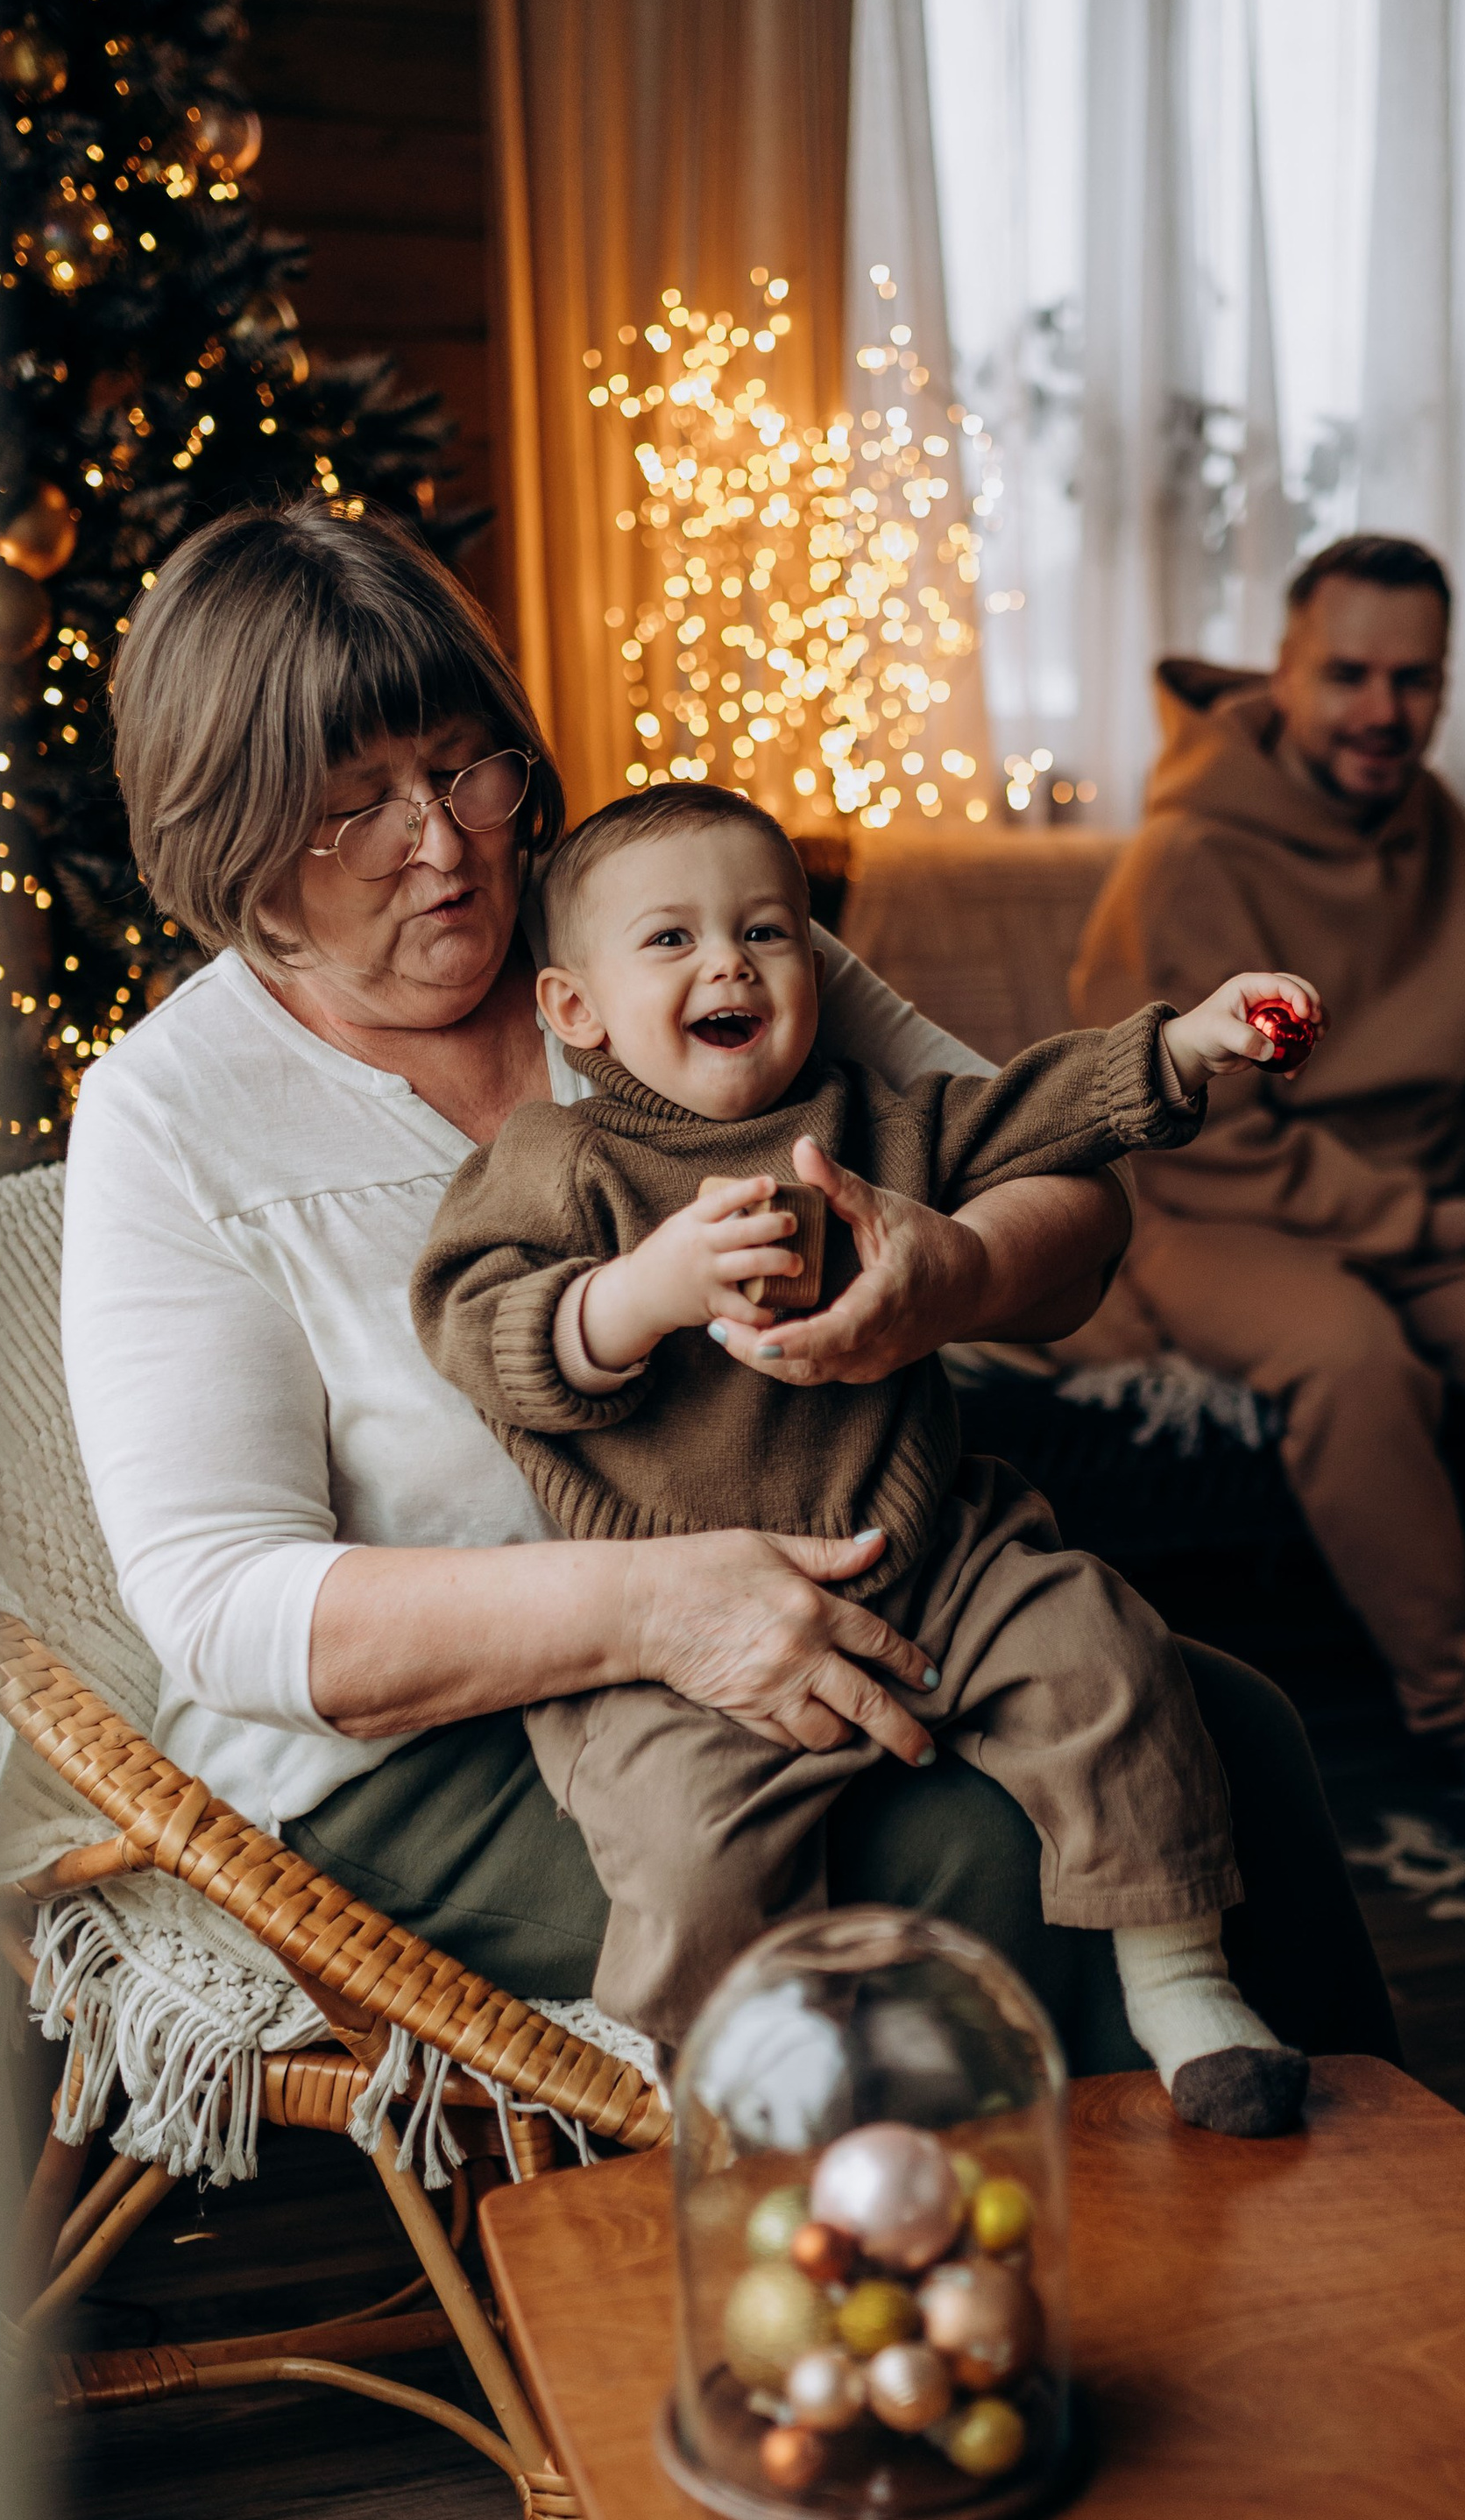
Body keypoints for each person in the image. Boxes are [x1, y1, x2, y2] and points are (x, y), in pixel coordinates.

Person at [62, 499, 1398, 2086]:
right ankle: (933, 2292)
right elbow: (224, 1609)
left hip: (841, 1588)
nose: (450, 844)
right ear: (239, 848)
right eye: (362, 810)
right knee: (969, 1858)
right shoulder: (171, 1115)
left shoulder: (667, 929)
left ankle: (1335, 2253)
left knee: (1221, 1725)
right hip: (435, 1748)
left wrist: (952, 1273)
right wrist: (657, 1605)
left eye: (465, 765)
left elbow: (1058, 1188)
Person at [411, 779, 1321, 2127]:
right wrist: (641, 1293)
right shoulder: (558, 1161)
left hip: (934, 1552)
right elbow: (472, 1324)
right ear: (573, 1009)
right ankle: (726, 2091)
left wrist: (1183, 1049)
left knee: (1109, 1657)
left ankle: (1182, 1984)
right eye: (672, 940)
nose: (729, 962)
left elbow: (1040, 1114)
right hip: (682, 1625)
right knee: (680, 1846)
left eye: (767, 932)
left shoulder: (877, 1120)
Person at [1072, 533, 1465, 1902]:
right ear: (1285, 672)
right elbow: (1205, 1139)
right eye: (1349, 674)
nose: (1383, 711)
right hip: (1220, 1211)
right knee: (1355, 1359)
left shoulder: (1439, 832)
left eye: (1414, 681)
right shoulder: (1190, 858)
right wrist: (1462, 1224)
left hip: (1420, 1213)